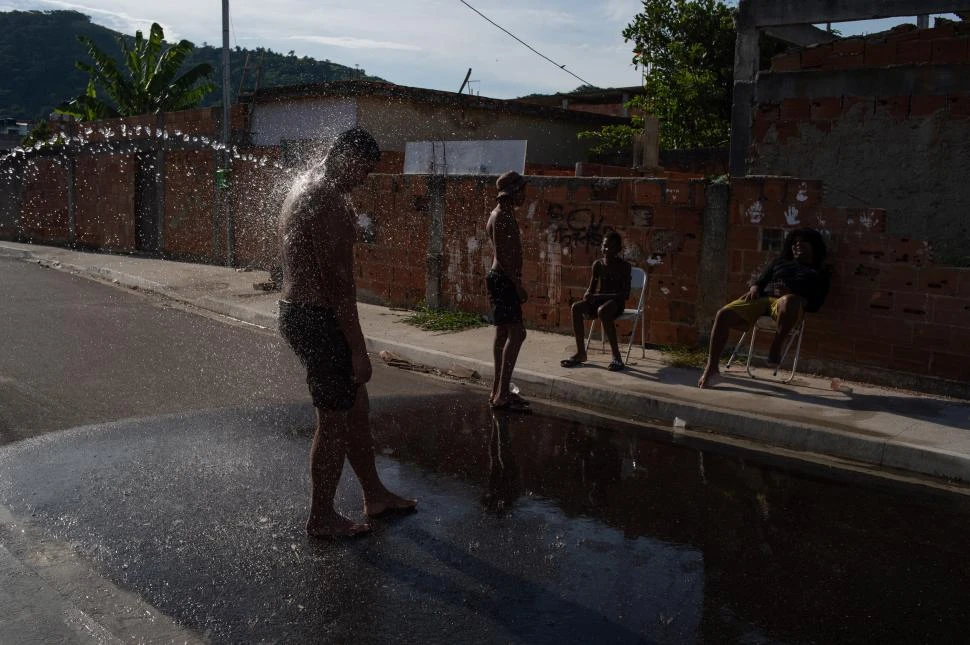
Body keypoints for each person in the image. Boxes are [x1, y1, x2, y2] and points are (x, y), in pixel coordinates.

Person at [278, 127, 416, 538]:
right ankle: (321, 516)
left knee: (356, 408)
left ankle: (374, 493)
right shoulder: (329, 202)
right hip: (318, 318)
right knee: (334, 418)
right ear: (344, 158)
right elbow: (339, 286)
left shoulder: (304, 187)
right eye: (363, 169)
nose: (364, 179)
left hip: (299, 311)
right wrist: (359, 350)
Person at [698, 227, 830, 389]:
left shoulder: (820, 272)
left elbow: (816, 304)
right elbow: (760, 281)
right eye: (794, 243)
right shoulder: (780, 262)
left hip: (788, 307)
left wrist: (792, 295)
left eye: (803, 242)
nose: (797, 245)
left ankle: (776, 346)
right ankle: (712, 368)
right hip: (763, 299)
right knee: (723, 314)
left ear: (814, 246)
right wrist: (754, 288)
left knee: (789, 300)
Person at [485, 170, 530, 412]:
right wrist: (517, 284)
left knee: (503, 334)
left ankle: (497, 391)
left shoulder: (504, 214)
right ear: (512, 192)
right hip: (503, 280)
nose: (525, 195)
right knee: (517, 334)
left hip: (502, 280)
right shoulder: (500, 216)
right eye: (522, 190)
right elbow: (502, 257)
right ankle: (501, 394)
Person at [559, 230, 632, 371]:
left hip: (615, 304)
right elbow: (591, 289)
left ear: (618, 249)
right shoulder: (598, 265)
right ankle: (581, 353)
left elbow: (625, 295)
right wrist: (587, 294)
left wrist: (598, 297)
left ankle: (616, 357)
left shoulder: (624, 267)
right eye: (604, 246)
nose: (606, 250)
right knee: (576, 307)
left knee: (603, 310)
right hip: (600, 302)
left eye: (611, 247)